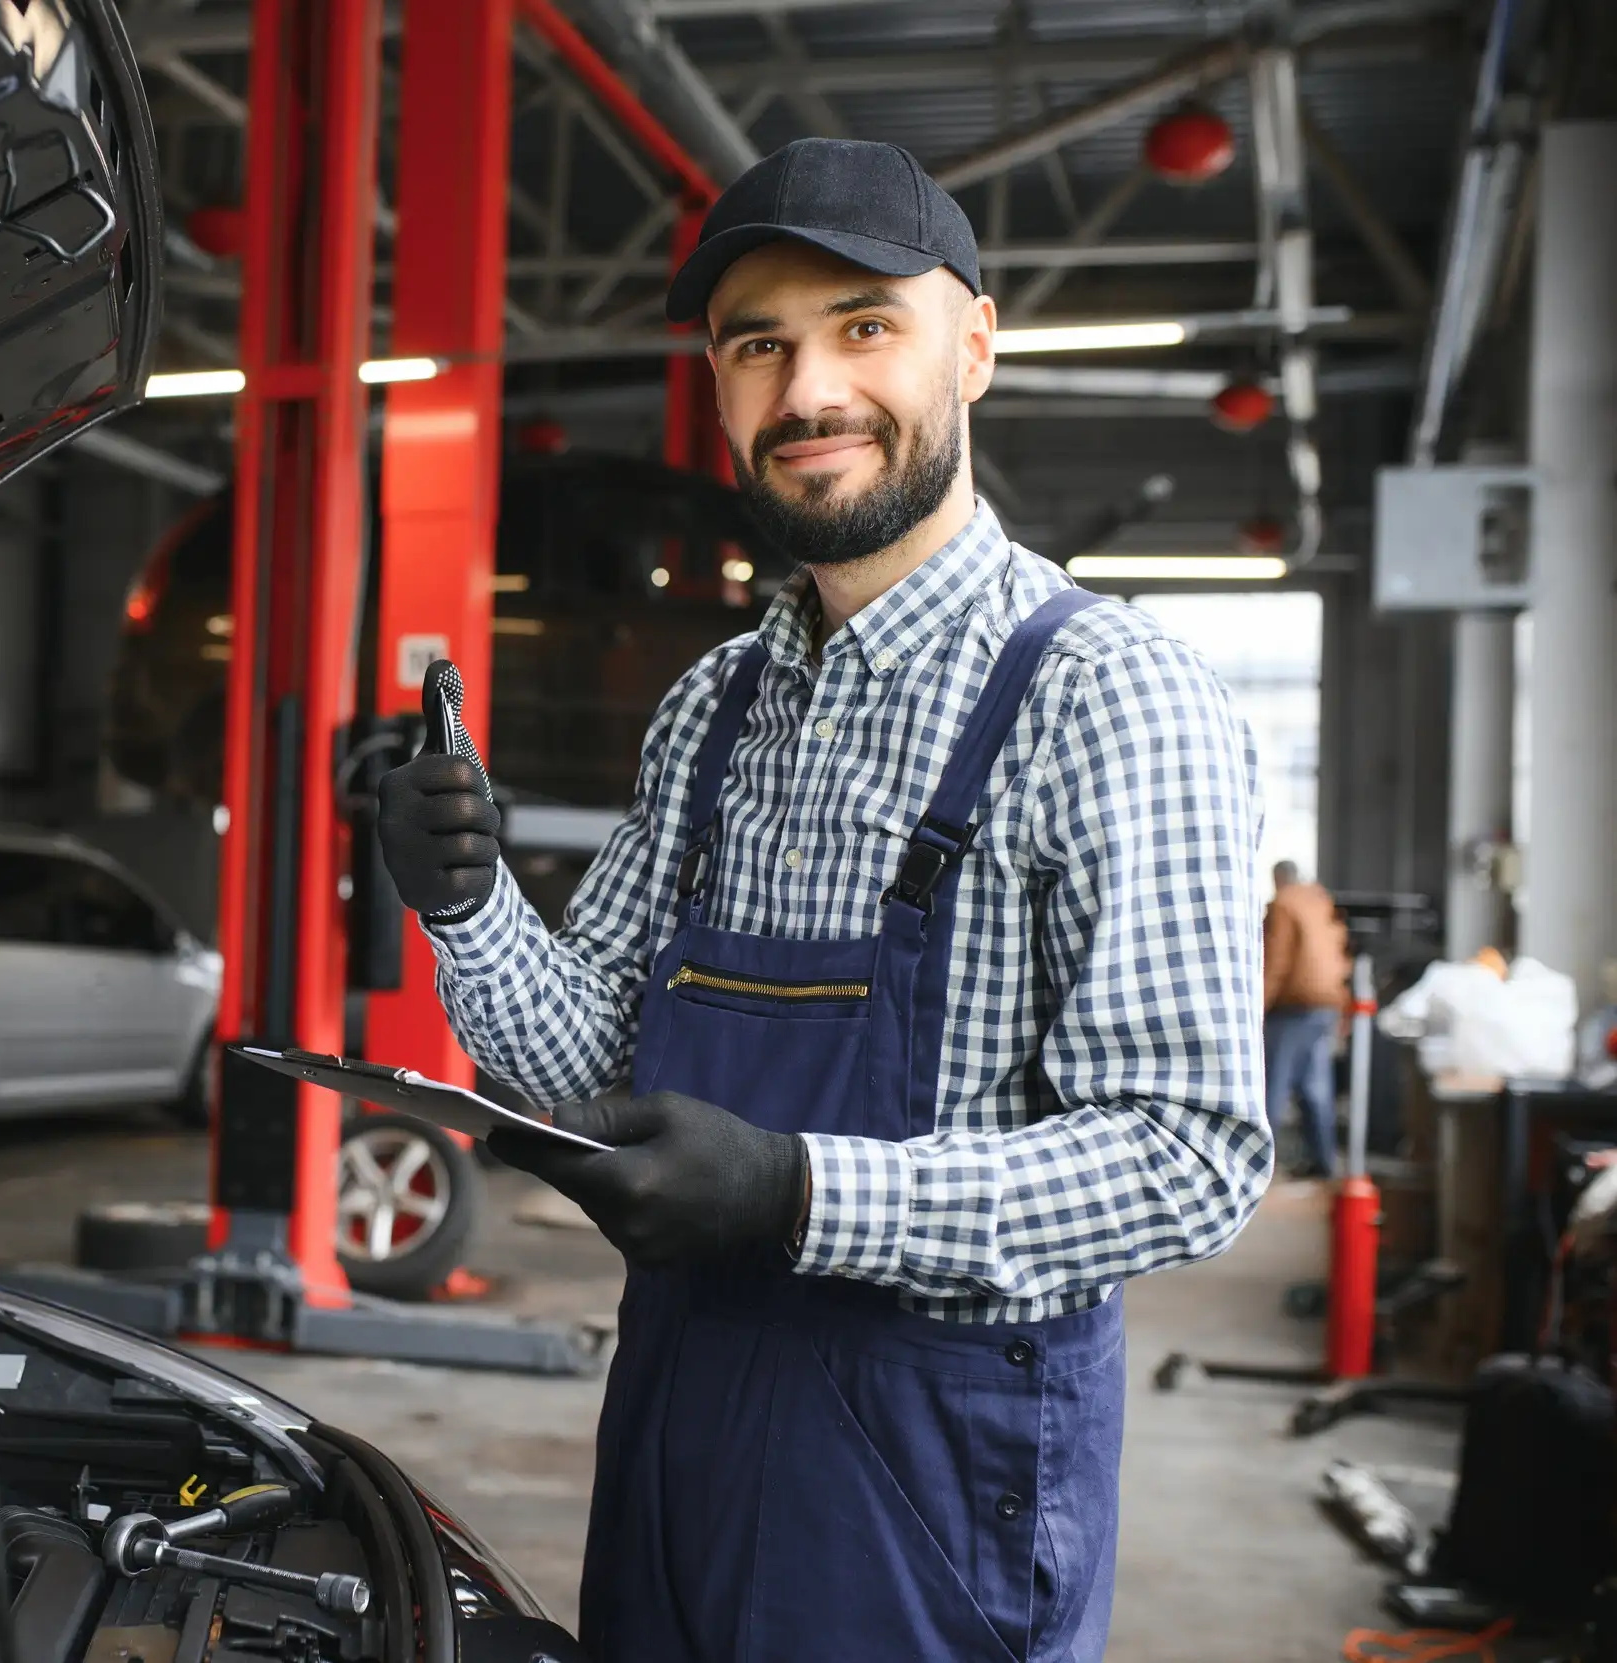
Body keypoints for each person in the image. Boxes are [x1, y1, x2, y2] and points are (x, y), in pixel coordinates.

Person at [376, 137, 1269, 1661]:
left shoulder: (1114, 699)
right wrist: (466, 903)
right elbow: (599, 1072)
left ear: (973, 346)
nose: (807, 392)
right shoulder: (714, 704)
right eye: (758, 345)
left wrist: (801, 1192)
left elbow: (1190, 1154)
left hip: (933, 1474)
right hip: (678, 1417)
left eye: (865, 326)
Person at [1262, 859, 1353, 1176]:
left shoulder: (1283, 905)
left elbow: (1277, 960)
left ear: (1278, 879)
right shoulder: (1319, 900)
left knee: (1271, 1086)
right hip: (1325, 1005)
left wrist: (1257, 1008)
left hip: (1293, 1007)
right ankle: (1325, 1162)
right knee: (1316, 1087)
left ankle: (1259, 1168)